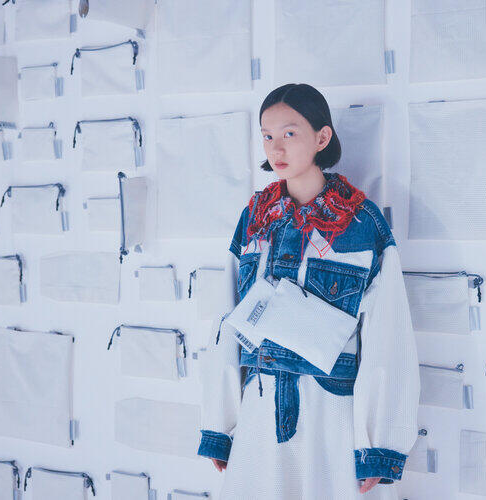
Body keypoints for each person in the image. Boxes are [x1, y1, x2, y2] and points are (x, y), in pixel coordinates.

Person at [196, 83, 420, 499]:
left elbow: (388, 336)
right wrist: (220, 425)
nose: (276, 148)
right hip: (259, 414)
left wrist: (377, 445)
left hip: (331, 418)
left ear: (322, 137)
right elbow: (225, 320)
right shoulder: (254, 220)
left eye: (289, 133)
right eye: (267, 136)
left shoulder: (362, 223)